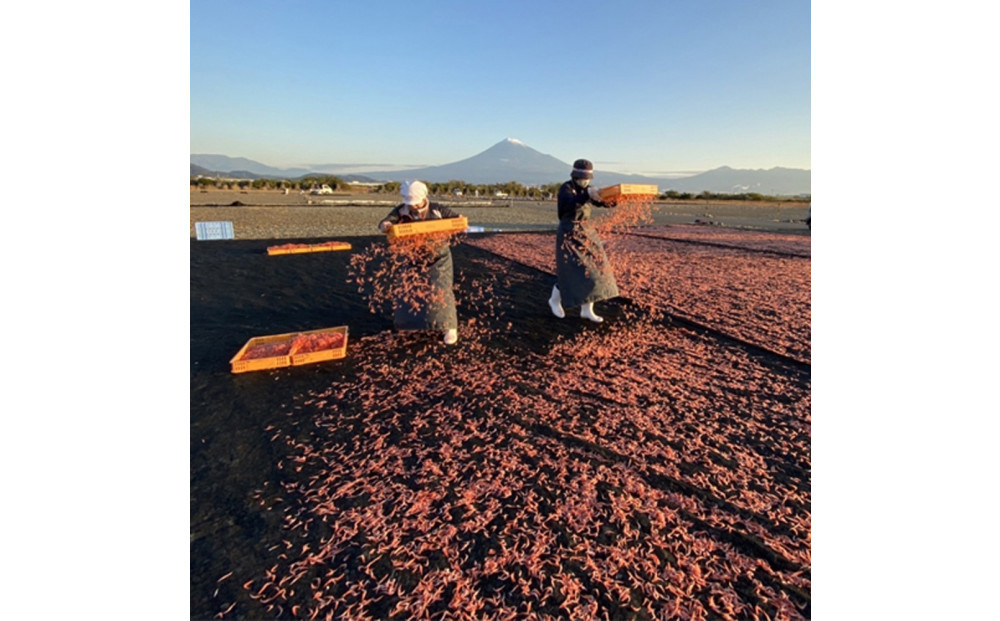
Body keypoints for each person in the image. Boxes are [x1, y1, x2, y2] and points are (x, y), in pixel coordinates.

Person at [378, 180, 462, 344]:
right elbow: (385, 221)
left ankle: (449, 327)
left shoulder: (437, 210)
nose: (413, 207)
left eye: (416, 203)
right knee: (409, 289)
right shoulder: (401, 211)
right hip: (412, 256)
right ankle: (410, 324)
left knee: (440, 289)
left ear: (424, 198)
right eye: (410, 204)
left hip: (438, 257)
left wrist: (459, 220)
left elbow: (455, 218)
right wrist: (385, 225)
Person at [548, 159, 619, 323]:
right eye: (581, 178)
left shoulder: (588, 190)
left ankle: (587, 310)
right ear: (574, 176)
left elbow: (601, 202)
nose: (584, 181)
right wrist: (586, 195)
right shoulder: (566, 189)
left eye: (586, 179)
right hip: (569, 232)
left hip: (586, 231)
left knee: (594, 269)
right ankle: (554, 301)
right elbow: (569, 205)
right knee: (571, 271)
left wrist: (614, 199)